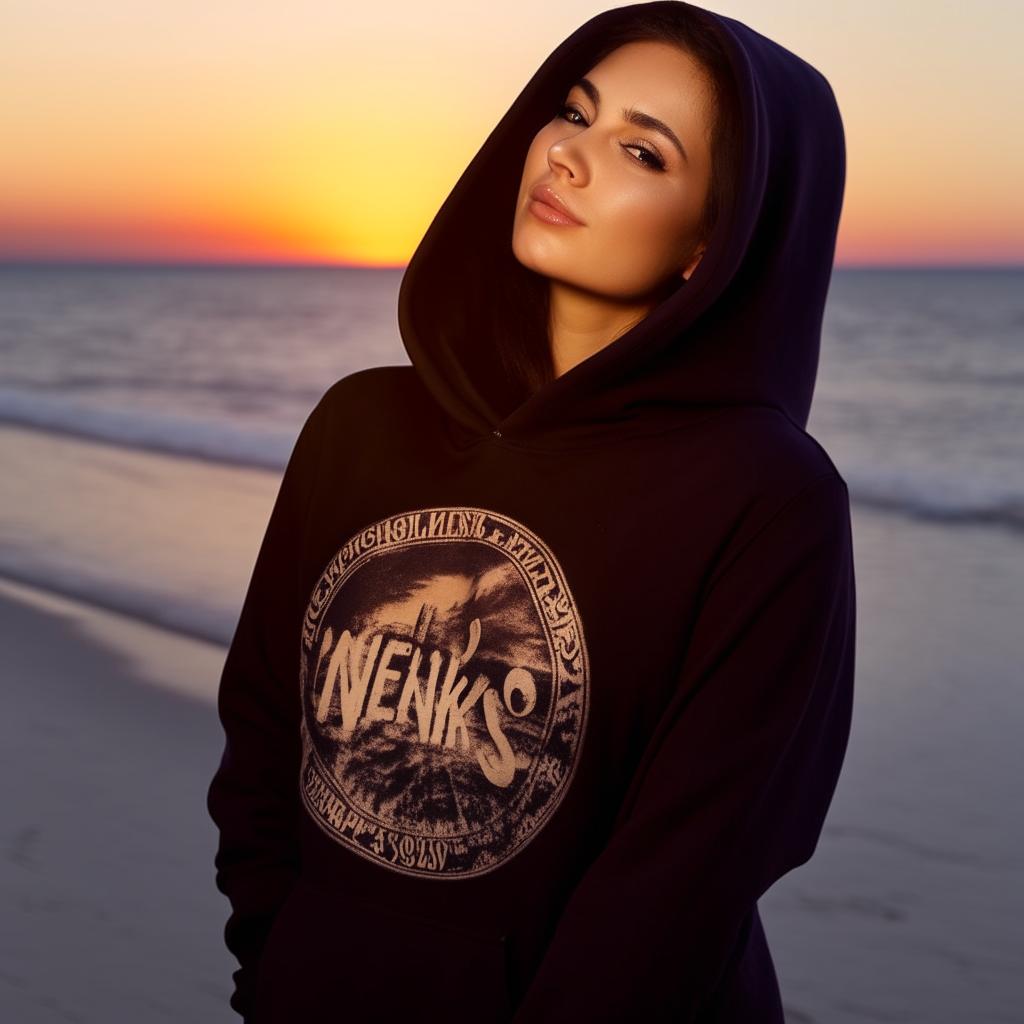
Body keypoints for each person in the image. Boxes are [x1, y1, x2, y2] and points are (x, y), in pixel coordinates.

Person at [205, 2, 855, 1021]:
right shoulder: (361, 425)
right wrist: (283, 957)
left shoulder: (766, 499)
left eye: (641, 149)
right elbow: (262, 731)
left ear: (711, 243)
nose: (567, 156)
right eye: (572, 112)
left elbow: (689, 871)